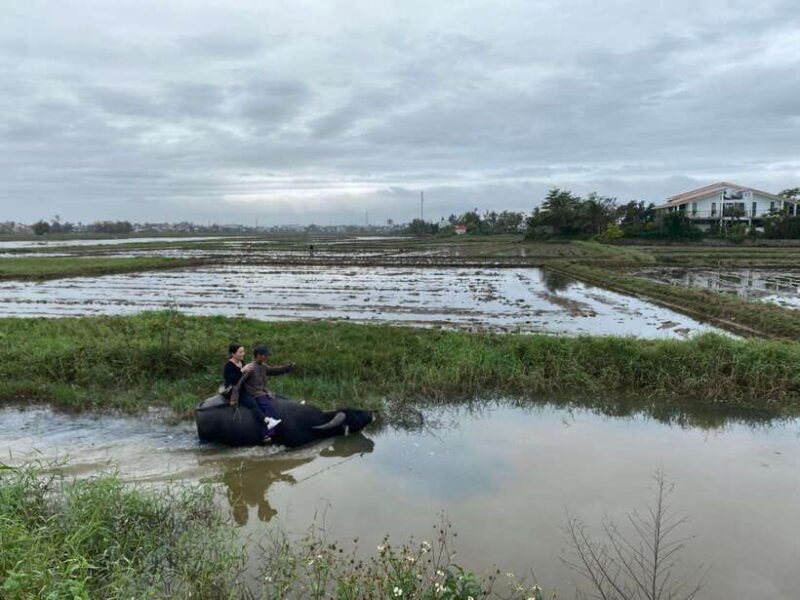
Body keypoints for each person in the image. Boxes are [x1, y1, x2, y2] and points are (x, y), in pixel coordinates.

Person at [231, 345, 295, 441]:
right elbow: (238, 383)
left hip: (264, 392)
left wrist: (287, 368)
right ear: (258, 355)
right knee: (268, 408)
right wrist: (234, 399)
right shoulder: (251, 368)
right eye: (265, 355)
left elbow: (274, 370)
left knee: (281, 398)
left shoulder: (263, 366)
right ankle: (267, 433)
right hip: (255, 393)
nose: (266, 357)